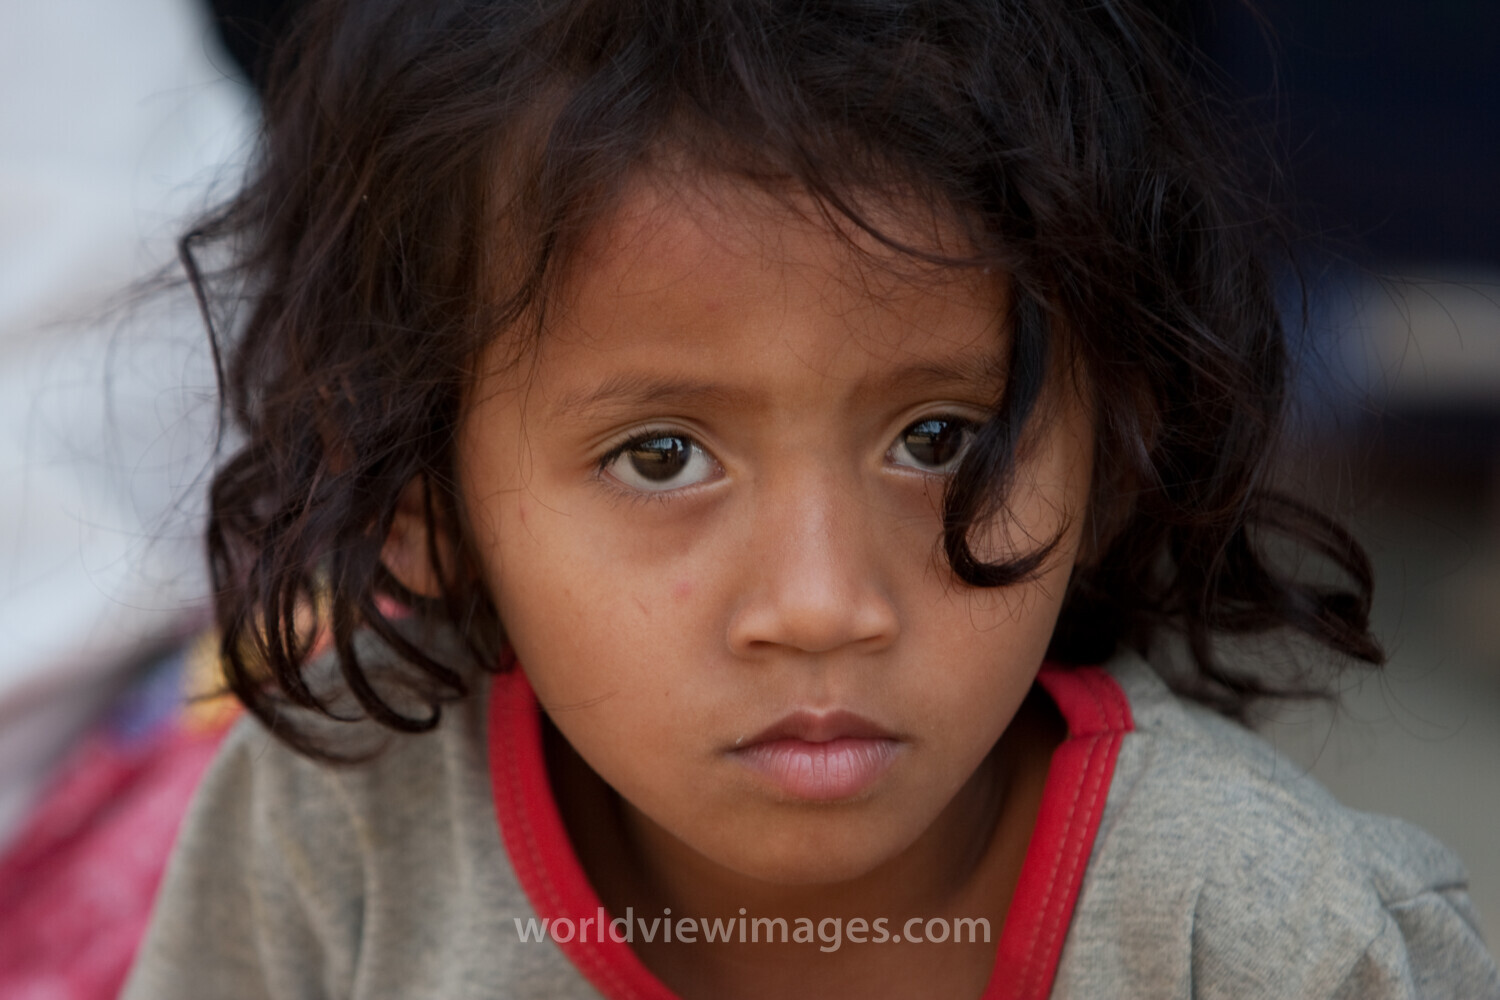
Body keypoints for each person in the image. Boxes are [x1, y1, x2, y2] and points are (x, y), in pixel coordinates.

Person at [122, 0, 1499, 997]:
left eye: (942, 436)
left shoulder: (1271, 943)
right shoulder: (333, 845)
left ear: (1120, 439)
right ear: (425, 498)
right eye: (661, 456)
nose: (823, 603)